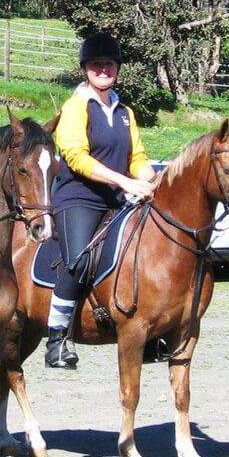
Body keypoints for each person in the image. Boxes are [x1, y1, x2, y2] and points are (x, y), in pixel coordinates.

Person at [45, 32, 156, 370]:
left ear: (117, 69)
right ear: (85, 70)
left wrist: (149, 177)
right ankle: (57, 337)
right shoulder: (75, 107)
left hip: (117, 199)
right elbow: (76, 157)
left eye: (108, 65)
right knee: (79, 260)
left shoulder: (125, 112)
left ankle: (150, 333)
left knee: (146, 252)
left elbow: (136, 156)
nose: (103, 70)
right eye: (96, 65)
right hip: (79, 197)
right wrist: (124, 181)